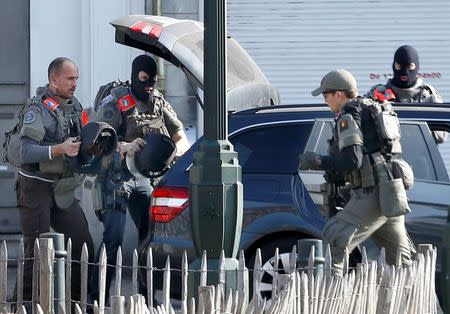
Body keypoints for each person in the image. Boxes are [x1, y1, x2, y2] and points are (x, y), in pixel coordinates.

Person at [90, 54, 189, 303]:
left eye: (153, 80)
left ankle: (147, 297)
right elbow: (95, 139)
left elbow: (180, 135)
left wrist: (172, 154)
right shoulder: (116, 102)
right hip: (116, 178)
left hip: (144, 179)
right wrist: (124, 145)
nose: (149, 85)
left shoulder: (158, 101)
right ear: (135, 76)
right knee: (113, 239)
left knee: (149, 238)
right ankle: (96, 299)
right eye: (144, 79)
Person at [299, 69, 413, 275]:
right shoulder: (371, 108)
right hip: (391, 193)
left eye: (326, 95)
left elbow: (352, 160)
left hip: (373, 193)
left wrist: (316, 161)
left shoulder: (349, 115)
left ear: (339, 95)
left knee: (335, 238)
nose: (325, 101)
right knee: (401, 262)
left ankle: (329, 300)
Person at [14, 57, 94, 308]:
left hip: (63, 187)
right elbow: (26, 152)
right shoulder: (37, 109)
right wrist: (59, 149)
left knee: (84, 245)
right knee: (36, 250)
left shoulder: (75, 107)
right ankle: (23, 305)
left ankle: (77, 303)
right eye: (70, 79)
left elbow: (84, 141)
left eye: (77, 79)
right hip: (35, 186)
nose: (74, 84)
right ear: (54, 79)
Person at [366, 44, 446, 143]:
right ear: (394, 66)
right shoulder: (378, 94)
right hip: (386, 156)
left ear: (416, 66)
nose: (404, 71)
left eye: (410, 66)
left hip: (420, 156)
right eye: (399, 66)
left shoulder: (428, 96)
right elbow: (364, 129)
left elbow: (440, 136)